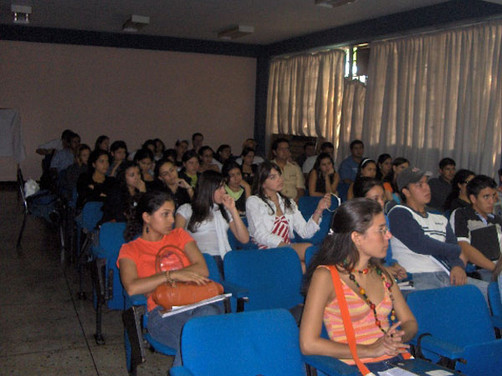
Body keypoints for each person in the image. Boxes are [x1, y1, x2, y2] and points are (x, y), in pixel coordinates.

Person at [300, 199, 417, 372]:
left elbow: (409, 322)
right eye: (381, 230)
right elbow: (308, 344)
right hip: (355, 367)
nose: (389, 235)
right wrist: (371, 350)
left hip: (393, 363)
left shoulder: (382, 273)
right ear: (356, 237)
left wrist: (398, 336)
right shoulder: (326, 276)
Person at [118, 191, 222, 367]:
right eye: (164, 214)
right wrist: (172, 275)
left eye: (172, 214)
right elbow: (132, 287)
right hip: (162, 313)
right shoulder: (130, 250)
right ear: (147, 217)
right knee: (208, 337)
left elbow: (201, 269)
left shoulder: (180, 236)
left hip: (196, 303)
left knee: (203, 326)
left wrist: (159, 281)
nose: (172, 220)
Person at [387, 167, 488, 296]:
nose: (426, 188)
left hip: (445, 274)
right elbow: (421, 244)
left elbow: (452, 245)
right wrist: (457, 250)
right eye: (419, 185)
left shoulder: (438, 216)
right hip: (417, 277)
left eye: (426, 183)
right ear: (406, 191)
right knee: (449, 303)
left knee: (492, 292)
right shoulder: (399, 213)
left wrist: (458, 266)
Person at [246, 161, 331, 269]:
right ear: (263, 183)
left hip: (286, 249)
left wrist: (319, 210)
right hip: (266, 249)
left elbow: (305, 233)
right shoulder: (254, 201)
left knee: (306, 265)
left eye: (279, 175)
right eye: (273, 177)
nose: (279, 179)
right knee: (308, 251)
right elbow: (260, 235)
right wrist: (288, 247)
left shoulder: (288, 202)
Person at [175, 170, 249, 273]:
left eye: (223, 187)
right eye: (219, 188)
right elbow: (175, 241)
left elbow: (244, 239)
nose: (223, 191)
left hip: (223, 258)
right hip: (199, 260)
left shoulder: (224, 210)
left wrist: (233, 210)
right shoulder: (187, 209)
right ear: (207, 189)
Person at [353, 177, 407, 281]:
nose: (381, 203)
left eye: (383, 198)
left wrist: (395, 265)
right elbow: (354, 261)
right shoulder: (353, 223)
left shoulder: (384, 219)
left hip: (381, 270)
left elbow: (387, 253)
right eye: (375, 199)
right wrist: (382, 269)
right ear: (360, 200)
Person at [450, 175, 501, 279]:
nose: (492, 201)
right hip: (481, 270)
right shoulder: (462, 214)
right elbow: (464, 248)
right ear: (473, 198)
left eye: (493, 196)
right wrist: (496, 270)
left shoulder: (497, 219)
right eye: (486, 197)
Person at [271, 137, 305, 202]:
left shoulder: (295, 167)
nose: (284, 152)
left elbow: (300, 189)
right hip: (275, 201)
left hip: (294, 201)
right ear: (275, 152)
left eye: (287, 149)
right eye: (281, 149)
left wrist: (296, 201)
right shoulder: (269, 167)